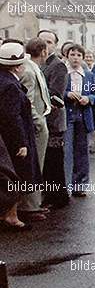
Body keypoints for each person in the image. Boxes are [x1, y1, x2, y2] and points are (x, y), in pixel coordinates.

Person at [0, 42, 41, 230]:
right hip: (13, 138)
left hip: (6, 137)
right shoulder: (10, 85)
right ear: (17, 66)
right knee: (17, 175)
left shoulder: (4, 80)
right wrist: (21, 143)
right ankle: (11, 215)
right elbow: (12, 116)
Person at [18, 37, 51, 222]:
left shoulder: (31, 67)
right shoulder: (29, 71)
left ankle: (34, 203)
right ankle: (29, 206)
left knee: (36, 164)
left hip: (39, 120)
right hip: (36, 125)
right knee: (34, 164)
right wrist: (39, 121)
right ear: (44, 51)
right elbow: (27, 101)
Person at [38, 29, 70, 209]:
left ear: (55, 45)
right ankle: (50, 195)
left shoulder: (57, 65)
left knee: (54, 161)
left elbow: (56, 95)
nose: (46, 45)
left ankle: (58, 197)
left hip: (53, 120)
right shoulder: (39, 63)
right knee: (47, 161)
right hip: (43, 120)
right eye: (43, 41)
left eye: (49, 42)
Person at [63, 44, 95, 197]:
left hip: (83, 115)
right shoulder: (64, 73)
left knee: (82, 151)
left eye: (78, 55)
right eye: (72, 55)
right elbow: (55, 92)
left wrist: (88, 98)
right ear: (67, 56)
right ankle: (66, 185)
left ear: (83, 58)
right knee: (67, 151)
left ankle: (80, 185)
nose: (75, 58)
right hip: (68, 115)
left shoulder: (88, 75)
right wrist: (67, 94)